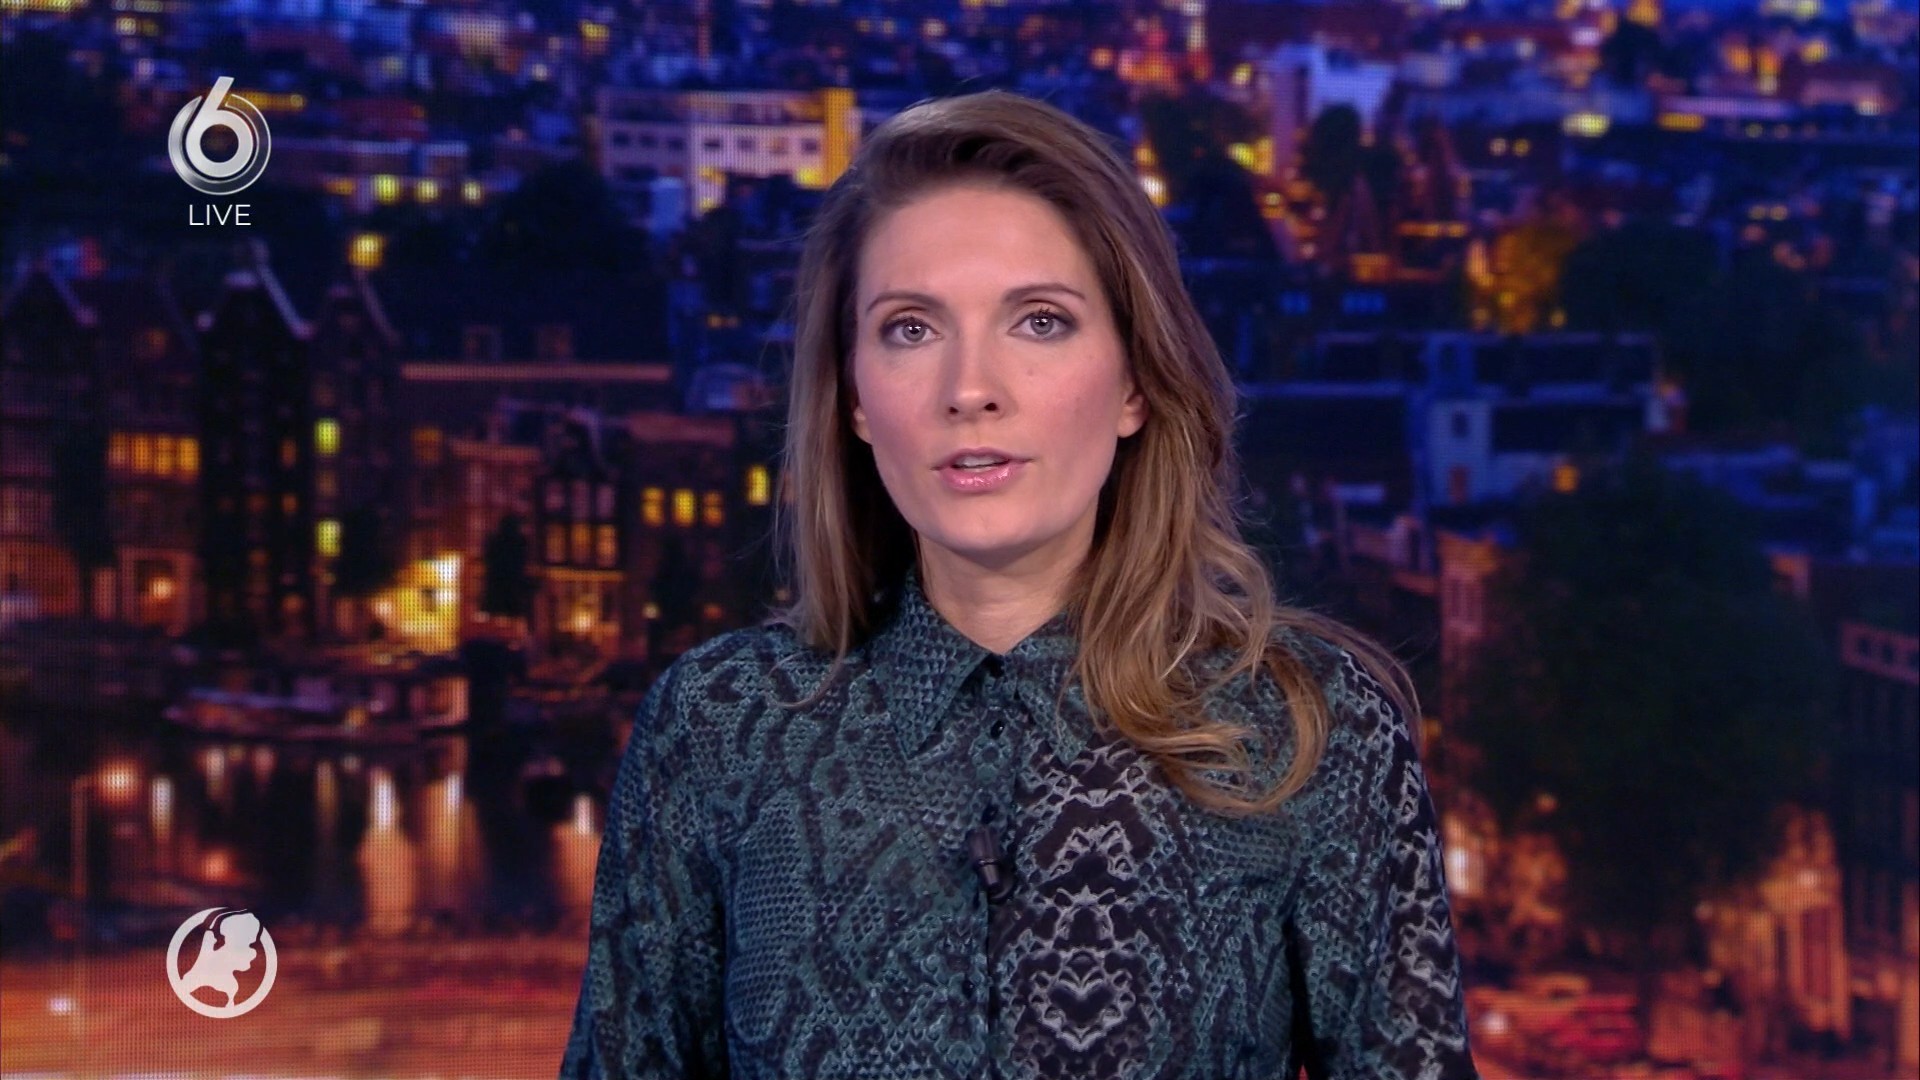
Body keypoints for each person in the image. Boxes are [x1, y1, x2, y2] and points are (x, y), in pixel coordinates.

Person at [561, 89, 1479, 1079]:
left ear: (1135, 381)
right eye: (911, 329)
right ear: (855, 396)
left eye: (1040, 322)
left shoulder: (1312, 731)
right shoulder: (718, 728)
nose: (970, 389)